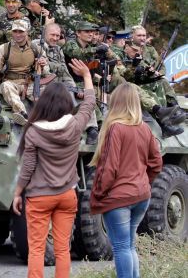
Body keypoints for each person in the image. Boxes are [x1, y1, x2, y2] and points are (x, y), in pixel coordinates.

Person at [12, 59, 95, 278]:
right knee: (62, 249)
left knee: (37, 248)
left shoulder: (33, 131)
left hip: (39, 197)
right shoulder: (75, 126)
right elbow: (88, 104)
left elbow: (28, 166)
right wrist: (86, 76)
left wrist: (18, 192)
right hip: (67, 195)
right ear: (66, 105)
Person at [89, 82, 163, 278]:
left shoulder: (115, 128)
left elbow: (108, 168)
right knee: (129, 245)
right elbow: (156, 162)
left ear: (117, 102)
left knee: (121, 247)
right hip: (141, 196)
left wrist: (97, 194)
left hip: (119, 198)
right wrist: (143, 182)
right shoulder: (145, 128)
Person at [115, 26, 184, 137]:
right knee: (151, 90)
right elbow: (123, 72)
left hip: (149, 79)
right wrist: (137, 68)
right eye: (139, 35)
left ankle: (175, 110)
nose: (142, 38)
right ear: (132, 36)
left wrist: (157, 73)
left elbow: (160, 65)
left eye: (144, 35)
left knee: (161, 81)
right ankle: (164, 124)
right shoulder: (125, 49)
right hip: (133, 82)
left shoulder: (150, 49)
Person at [41, 22, 99, 144]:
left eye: (58, 36)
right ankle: (71, 129)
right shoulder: (39, 46)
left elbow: (66, 73)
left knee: (86, 97)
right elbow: (44, 68)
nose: (56, 38)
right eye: (53, 35)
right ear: (45, 34)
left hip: (62, 83)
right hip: (45, 84)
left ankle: (92, 129)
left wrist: (75, 89)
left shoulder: (57, 49)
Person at [0, 19, 49, 126]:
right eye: (15, 31)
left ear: (27, 32)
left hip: (29, 83)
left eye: (21, 32)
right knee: (6, 86)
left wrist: (42, 65)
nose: (18, 35)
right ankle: (22, 114)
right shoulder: (4, 49)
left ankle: (53, 118)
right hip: (11, 83)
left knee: (47, 94)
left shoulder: (36, 48)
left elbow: (46, 71)